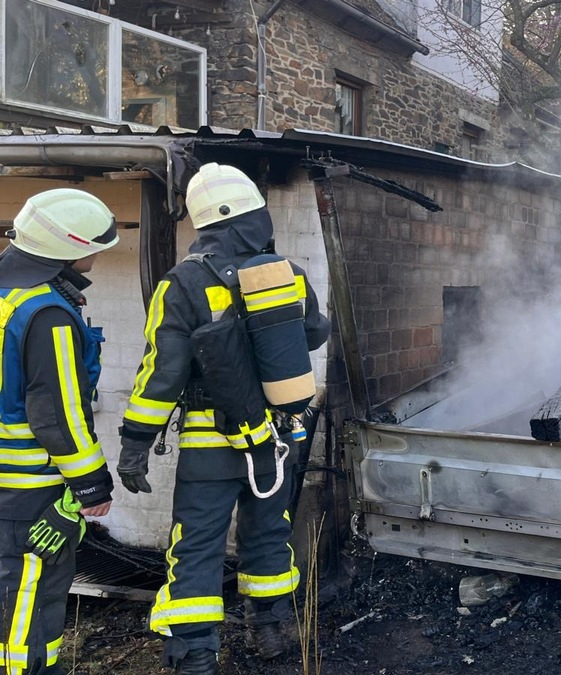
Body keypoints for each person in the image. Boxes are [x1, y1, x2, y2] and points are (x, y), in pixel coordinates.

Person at [117, 163, 330, 674]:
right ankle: (272, 628)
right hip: (280, 438)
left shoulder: (181, 284)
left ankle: (195, 657)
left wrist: (134, 442)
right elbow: (315, 334)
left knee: (197, 545)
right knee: (269, 531)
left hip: (212, 443)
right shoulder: (289, 275)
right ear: (254, 216)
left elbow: (162, 372)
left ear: (203, 223)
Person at [0, 189, 119, 674]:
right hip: (28, 493)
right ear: (68, 247)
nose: (96, 253)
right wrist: (92, 482)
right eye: (94, 244)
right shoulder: (47, 314)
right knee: (31, 599)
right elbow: (60, 413)